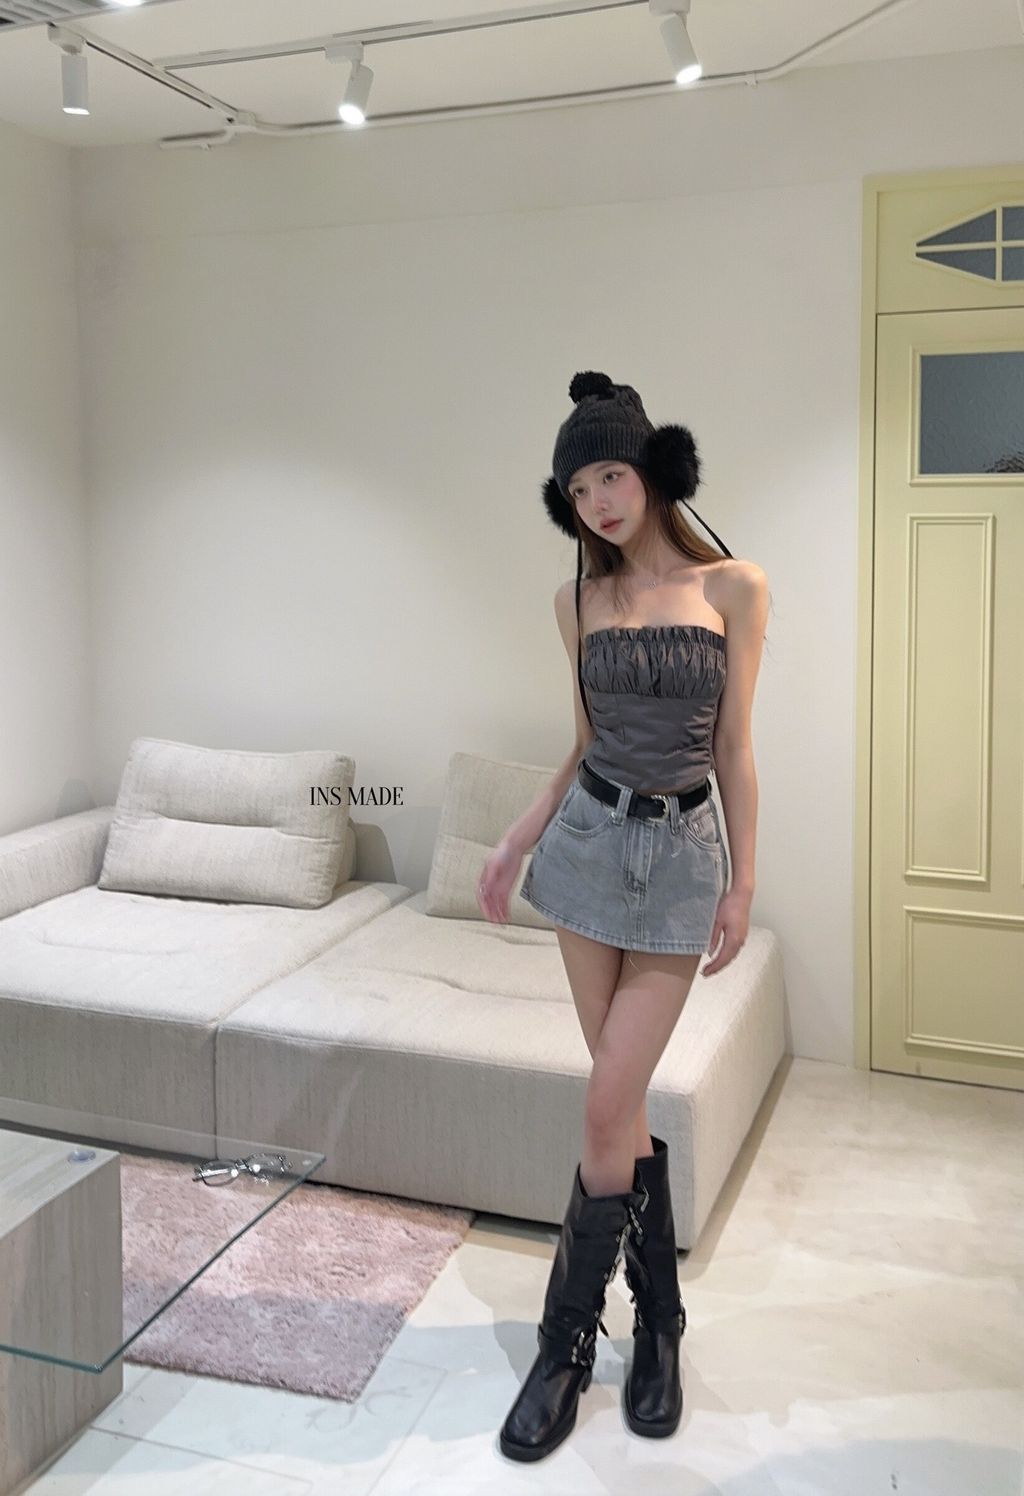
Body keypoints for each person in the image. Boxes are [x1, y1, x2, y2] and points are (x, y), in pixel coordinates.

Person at [476, 370, 768, 1462]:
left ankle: (564, 1344)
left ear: (652, 470)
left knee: (610, 1098)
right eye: (578, 487)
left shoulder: (734, 586)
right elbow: (585, 739)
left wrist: (741, 881)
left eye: (611, 474)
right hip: (587, 849)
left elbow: (733, 746)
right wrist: (517, 836)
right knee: (620, 1104)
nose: (598, 500)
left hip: (682, 859)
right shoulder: (576, 603)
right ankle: (655, 1330)